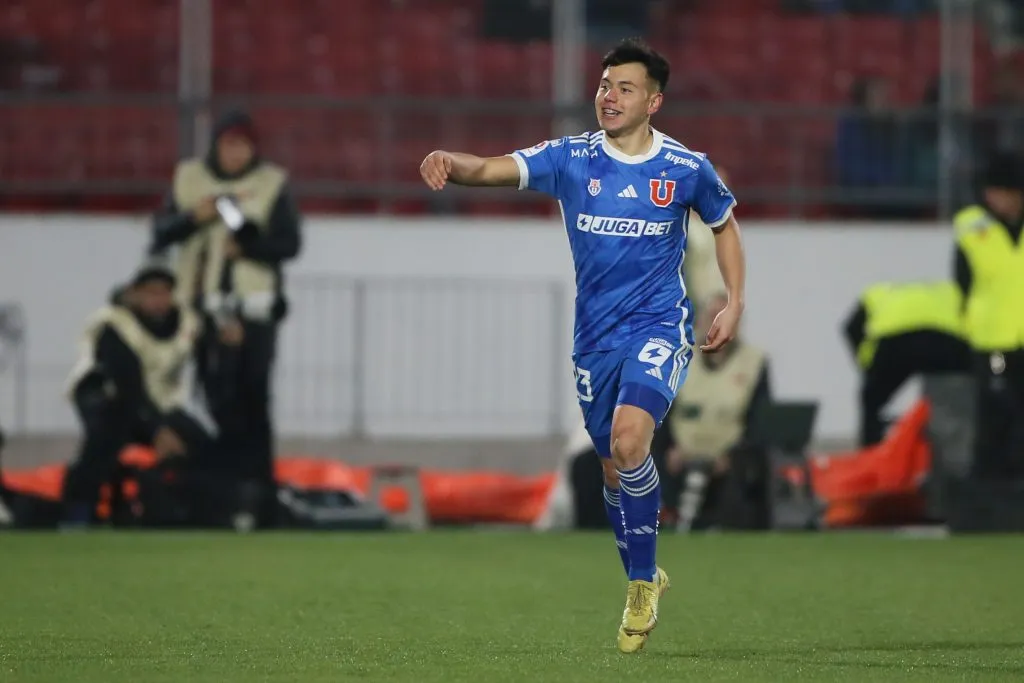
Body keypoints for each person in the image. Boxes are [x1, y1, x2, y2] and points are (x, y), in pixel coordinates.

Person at [419, 37, 746, 654]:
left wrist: (734, 300)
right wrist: (448, 160)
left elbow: (725, 225)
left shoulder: (685, 168)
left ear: (654, 101)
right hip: (594, 338)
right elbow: (491, 167)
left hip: (658, 325)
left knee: (630, 441)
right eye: (604, 86)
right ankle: (641, 570)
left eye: (624, 88)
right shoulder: (571, 158)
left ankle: (642, 584)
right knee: (611, 471)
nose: (609, 97)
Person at [150, 110, 302, 524]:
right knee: (215, 401)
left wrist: (248, 247)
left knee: (253, 402)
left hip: (252, 311)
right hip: (198, 309)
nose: (235, 154)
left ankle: (259, 495)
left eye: (243, 146)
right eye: (229, 145)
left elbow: (288, 243)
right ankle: (227, 491)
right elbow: (160, 233)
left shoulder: (271, 183)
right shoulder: (189, 179)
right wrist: (193, 219)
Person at [61, 260, 211, 527]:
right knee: (101, 445)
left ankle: (190, 514)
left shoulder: (187, 323)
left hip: (160, 403)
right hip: (107, 400)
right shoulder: (114, 325)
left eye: (165, 292)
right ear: (135, 294)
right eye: (151, 292)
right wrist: (157, 431)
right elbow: (127, 386)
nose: (159, 300)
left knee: (202, 445)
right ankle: (78, 516)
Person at [653, 292, 772, 531]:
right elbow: (660, 411)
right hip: (681, 453)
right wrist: (670, 449)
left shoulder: (753, 364)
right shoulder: (679, 359)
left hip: (729, 456)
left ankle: (729, 530)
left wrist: (730, 456)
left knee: (751, 464)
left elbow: (759, 421)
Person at [953, 152, 1024, 479]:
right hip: (994, 344)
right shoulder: (972, 226)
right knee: (996, 408)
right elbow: (963, 280)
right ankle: (989, 491)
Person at [843, 280, 969, 447]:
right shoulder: (954, 292)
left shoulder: (877, 294)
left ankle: (871, 451)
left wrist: (868, 368)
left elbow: (851, 328)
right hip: (944, 339)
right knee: (969, 392)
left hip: (895, 342)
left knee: (871, 402)